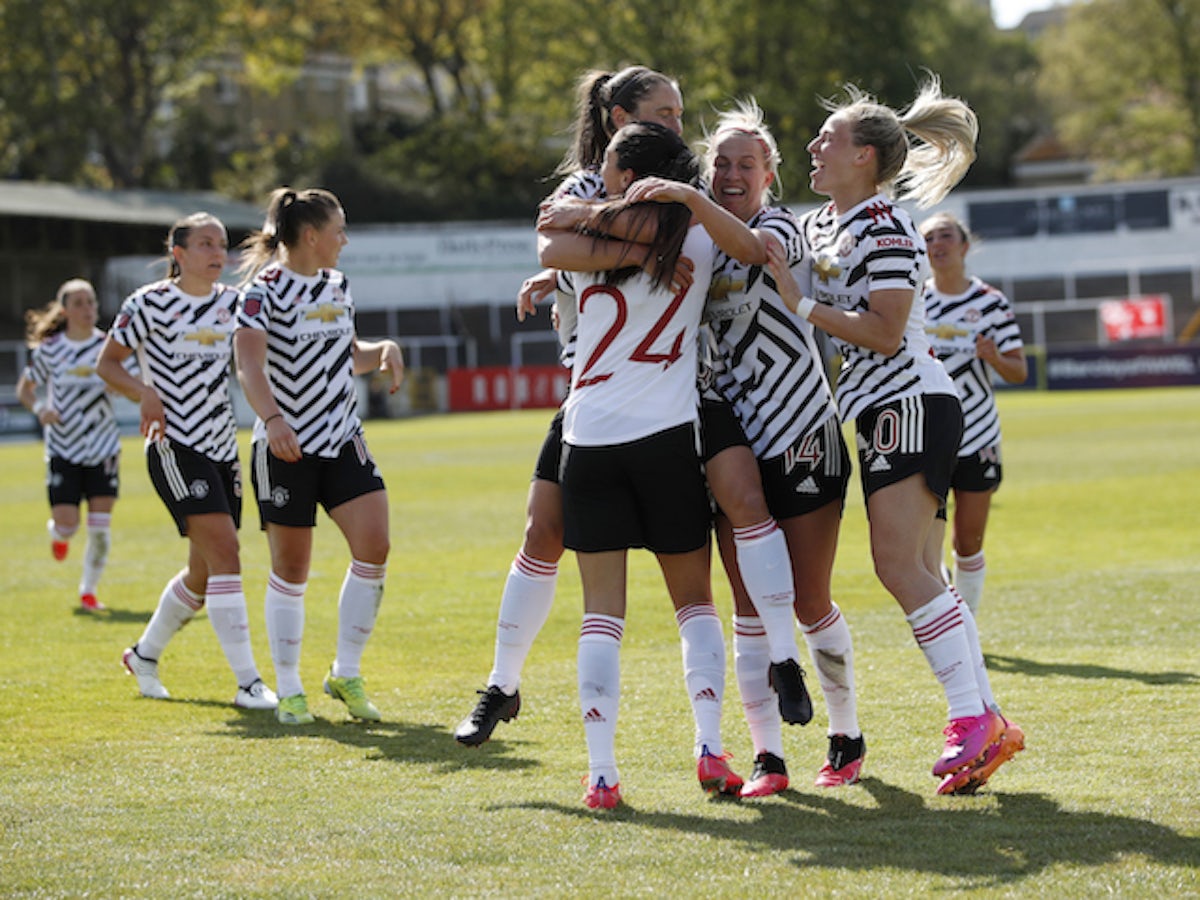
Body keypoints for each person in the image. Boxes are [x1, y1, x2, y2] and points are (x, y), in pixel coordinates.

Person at [765, 75, 1023, 795]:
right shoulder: (826, 224)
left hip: (907, 400)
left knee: (898, 568)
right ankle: (988, 720)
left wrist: (802, 303)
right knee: (923, 575)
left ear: (867, 159)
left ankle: (970, 716)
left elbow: (882, 333)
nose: (814, 145)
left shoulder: (885, 226)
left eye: (830, 138)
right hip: (892, 407)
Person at [634, 99, 866, 796]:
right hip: (729, 439)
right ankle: (768, 756)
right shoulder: (697, 238)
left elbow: (748, 247)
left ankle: (846, 732)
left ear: (770, 173)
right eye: (722, 165)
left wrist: (686, 197)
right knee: (745, 603)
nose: (732, 174)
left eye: (746, 164)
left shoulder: (780, 228)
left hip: (800, 431)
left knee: (809, 600)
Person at [454, 65, 688, 746]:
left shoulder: (677, 181)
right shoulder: (587, 184)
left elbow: (662, 231)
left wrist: (592, 250)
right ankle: (500, 685)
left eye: (678, 112)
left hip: (672, 394)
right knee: (540, 533)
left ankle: (761, 696)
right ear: (621, 118)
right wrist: (619, 252)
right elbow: (555, 237)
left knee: (713, 552)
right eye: (664, 112)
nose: (678, 123)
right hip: (589, 391)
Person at [538, 120, 759, 809]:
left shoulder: (591, 241)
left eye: (609, 167)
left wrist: (599, 215)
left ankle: (602, 774)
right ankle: (711, 748)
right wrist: (640, 216)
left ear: (631, 174)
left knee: (602, 612)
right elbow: (739, 246)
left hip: (590, 435)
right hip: (665, 433)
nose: (598, 176)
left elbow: (550, 236)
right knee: (693, 601)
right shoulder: (695, 230)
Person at [234, 187, 405, 727]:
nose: (344, 240)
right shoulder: (261, 293)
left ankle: (345, 672)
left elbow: (348, 353)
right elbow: (250, 368)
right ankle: (289, 688)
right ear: (311, 236)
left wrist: (382, 352)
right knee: (291, 568)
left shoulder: (338, 285)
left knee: (375, 546)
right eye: (339, 230)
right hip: (286, 447)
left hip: (342, 438)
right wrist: (276, 421)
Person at [97, 213, 277, 710]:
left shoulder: (236, 306)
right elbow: (107, 363)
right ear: (177, 252)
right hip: (175, 447)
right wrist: (143, 392)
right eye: (204, 244)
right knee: (227, 557)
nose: (217, 253)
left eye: (222, 244)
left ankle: (144, 654)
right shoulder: (147, 304)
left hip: (224, 449)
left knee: (203, 572)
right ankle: (248, 683)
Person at [920, 211, 1027, 615]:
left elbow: (1019, 371)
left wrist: (994, 356)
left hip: (978, 435)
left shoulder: (991, 303)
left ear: (965, 246)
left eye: (946, 236)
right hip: (928, 436)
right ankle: (950, 621)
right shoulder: (914, 301)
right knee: (925, 542)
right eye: (929, 238)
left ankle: (969, 623)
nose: (937, 244)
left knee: (968, 541)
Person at [17, 279, 120, 612]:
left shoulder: (109, 346)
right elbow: (25, 389)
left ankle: (88, 591)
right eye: (78, 303)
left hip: (103, 447)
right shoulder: (50, 350)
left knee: (100, 530)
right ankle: (58, 536)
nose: (87, 309)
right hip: (64, 449)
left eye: (90, 302)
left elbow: (131, 384)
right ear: (65, 311)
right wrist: (40, 409)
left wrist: (124, 389)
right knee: (67, 526)